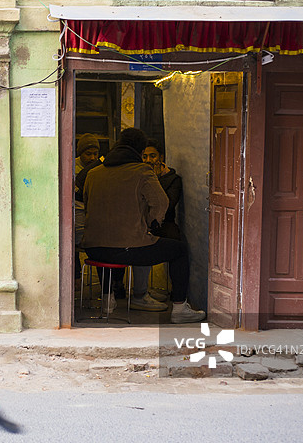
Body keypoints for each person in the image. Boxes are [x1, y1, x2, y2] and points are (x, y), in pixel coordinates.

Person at [81, 128, 205, 324]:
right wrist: (150, 223)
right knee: (179, 249)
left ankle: (107, 300)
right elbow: (161, 203)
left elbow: (88, 205)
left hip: (93, 249)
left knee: (105, 243)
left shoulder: (93, 173)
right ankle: (180, 308)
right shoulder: (142, 171)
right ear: (139, 151)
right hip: (128, 250)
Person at [130, 140, 185, 308]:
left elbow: (167, 204)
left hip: (163, 223)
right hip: (141, 222)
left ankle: (177, 295)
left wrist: (155, 180)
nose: (148, 160)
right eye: (144, 156)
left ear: (161, 158)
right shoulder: (138, 176)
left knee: (177, 244)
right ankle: (134, 291)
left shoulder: (173, 179)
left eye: (152, 156)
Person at [74, 134, 100, 280]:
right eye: (88, 154)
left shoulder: (100, 169)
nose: (92, 157)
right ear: (80, 153)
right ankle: (76, 278)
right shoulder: (73, 167)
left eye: (95, 154)